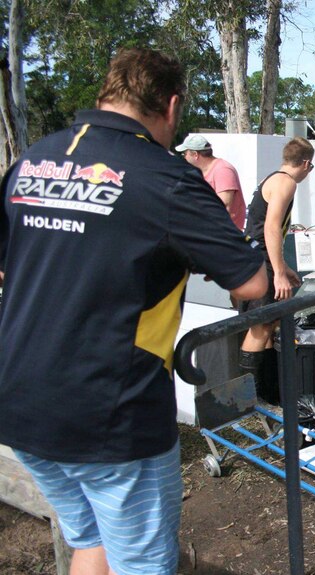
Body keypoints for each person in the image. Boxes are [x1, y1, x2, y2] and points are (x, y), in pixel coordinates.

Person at [0, 47, 267, 575]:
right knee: (142, 564)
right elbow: (253, 280)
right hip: (108, 409)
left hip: (19, 398)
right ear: (170, 107)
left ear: (107, 92)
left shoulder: (34, 158)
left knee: (91, 541)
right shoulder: (163, 176)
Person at [239, 137, 315, 401]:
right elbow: (271, 228)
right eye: (311, 167)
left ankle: (269, 393)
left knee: (269, 323)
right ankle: (251, 398)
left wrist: (282, 266)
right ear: (306, 163)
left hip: (256, 257)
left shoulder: (272, 179)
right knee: (259, 328)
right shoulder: (286, 183)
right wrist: (278, 273)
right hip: (257, 259)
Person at [176, 134, 247, 230]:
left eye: (185, 154)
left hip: (224, 235)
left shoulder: (223, 170)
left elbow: (224, 205)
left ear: (195, 155)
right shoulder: (203, 172)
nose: (184, 157)